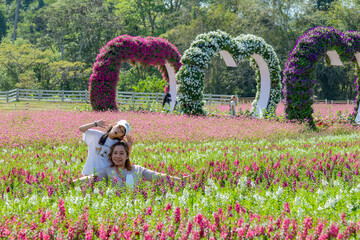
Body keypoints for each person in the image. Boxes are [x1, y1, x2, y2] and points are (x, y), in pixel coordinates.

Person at [75, 141, 185, 188]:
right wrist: (71, 183)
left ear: (127, 155)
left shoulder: (137, 170)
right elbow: (91, 179)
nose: (117, 156)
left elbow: (157, 176)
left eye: (121, 153)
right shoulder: (107, 171)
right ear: (111, 155)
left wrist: (179, 180)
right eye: (115, 153)